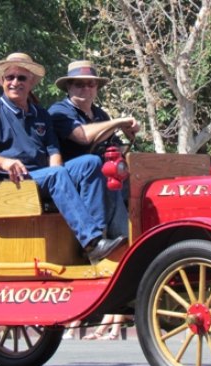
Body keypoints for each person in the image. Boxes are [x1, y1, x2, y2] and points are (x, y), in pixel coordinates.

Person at [0, 53, 125, 265]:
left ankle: (99, 236)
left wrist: (58, 172)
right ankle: (92, 242)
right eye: (10, 77)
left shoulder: (40, 114)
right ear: (2, 82)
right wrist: (3, 162)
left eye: (21, 78)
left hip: (42, 177)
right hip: (12, 181)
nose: (15, 82)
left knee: (91, 163)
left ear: (32, 83)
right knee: (57, 174)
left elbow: (53, 150)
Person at [48, 60, 139, 238]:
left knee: (135, 178)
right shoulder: (59, 111)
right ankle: (110, 241)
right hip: (72, 178)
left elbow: (116, 146)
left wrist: (131, 134)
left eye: (91, 84)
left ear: (96, 87)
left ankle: (143, 234)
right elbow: (83, 137)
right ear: (69, 87)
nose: (86, 88)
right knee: (106, 175)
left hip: (101, 174)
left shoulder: (100, 115)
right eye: (79, 84)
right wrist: (118, 122)